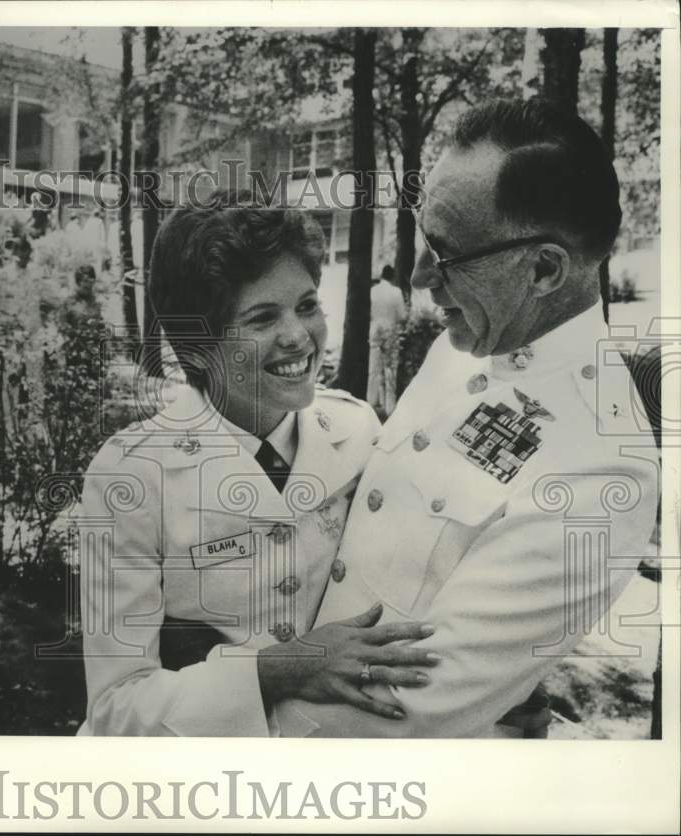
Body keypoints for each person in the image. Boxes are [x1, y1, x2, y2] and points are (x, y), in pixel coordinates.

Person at [274, 97, 660, 737]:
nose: (421, 273)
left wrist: (214, 718)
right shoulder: (466, 342)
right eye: (426, 237)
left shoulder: (597, 470)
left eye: (447, 252)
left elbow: (401, 712)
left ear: (542, 269)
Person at [75, 192, 441, 736]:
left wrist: (484, 688)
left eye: (307, 305)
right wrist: (277, 669)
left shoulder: (359, 430)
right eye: (262, 316)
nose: (298, 336)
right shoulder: (133, 475)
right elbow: (115, 712)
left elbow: (416, 588)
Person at [366, 264, 408, 415]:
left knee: (374, 369)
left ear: (382, 275)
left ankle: (370, 403)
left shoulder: (372, 291)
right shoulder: (396, 292)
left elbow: (368, 313)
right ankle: (390, 407)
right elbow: (402, 316)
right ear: (392, 277)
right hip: (390, 330)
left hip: (375, 329)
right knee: (390, 368)